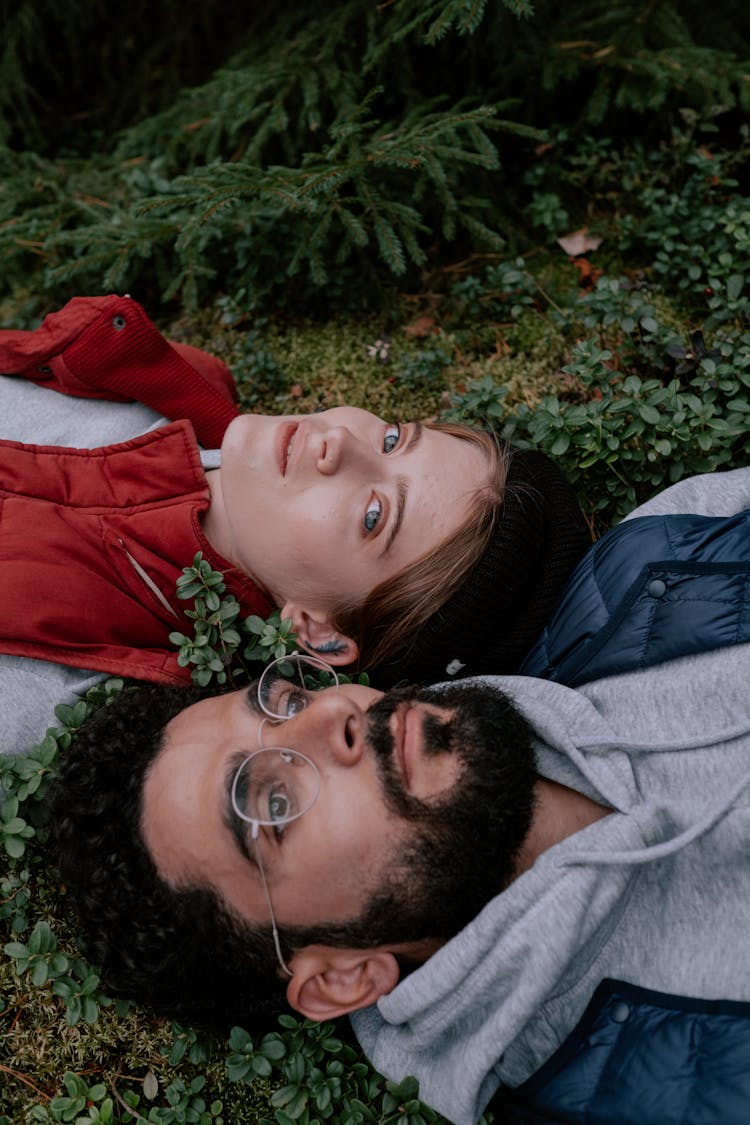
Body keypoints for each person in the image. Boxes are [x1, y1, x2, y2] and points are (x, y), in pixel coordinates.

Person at [50, 637, 750, 1125]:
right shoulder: (673, 1095)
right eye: (273, 802)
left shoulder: (655, 567)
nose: (333, 711)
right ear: (341, 979)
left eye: (286, 701)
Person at [0, 293, 592, 752]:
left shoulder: (58, 682)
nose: (340, 441)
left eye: (373, 515)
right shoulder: (162, 379)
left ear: (319, 633)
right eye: (391, 439)